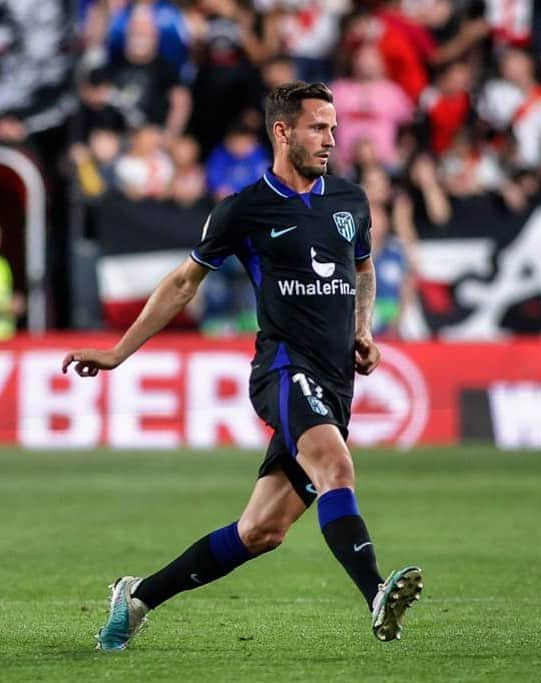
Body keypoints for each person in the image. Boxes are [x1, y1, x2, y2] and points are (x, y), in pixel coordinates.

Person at [61, 81, 423, 650]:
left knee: (262, 531)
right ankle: (378, 593)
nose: (331, 138)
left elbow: (364, 269)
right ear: (283, 132)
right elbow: (184, 283)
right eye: (318, 127)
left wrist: (362, 329)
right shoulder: (244, 209)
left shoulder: (349, 199)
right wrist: (117, 352)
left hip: (335, 380)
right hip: (282, 368)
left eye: (333, 127)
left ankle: (137, 597)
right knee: (337, 467)